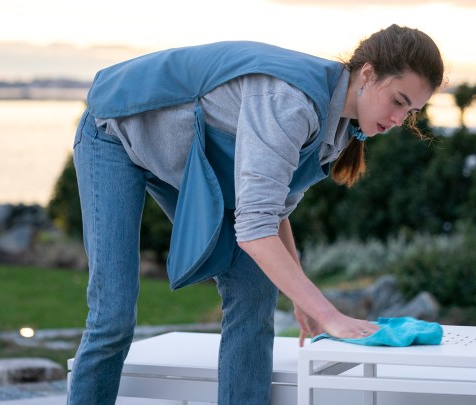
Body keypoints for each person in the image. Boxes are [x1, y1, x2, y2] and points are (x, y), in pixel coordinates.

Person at [68, 24, 445, 405]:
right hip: (114, 134)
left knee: (255, 291)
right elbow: (254, 231)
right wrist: (329, 315)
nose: (399, 120)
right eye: (398, 101)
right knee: (113, 315)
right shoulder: (290, 103)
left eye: (411, 112)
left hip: (183, 156)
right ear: (368, 74)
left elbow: (272, 210)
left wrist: (301, 300)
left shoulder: (340, 131)